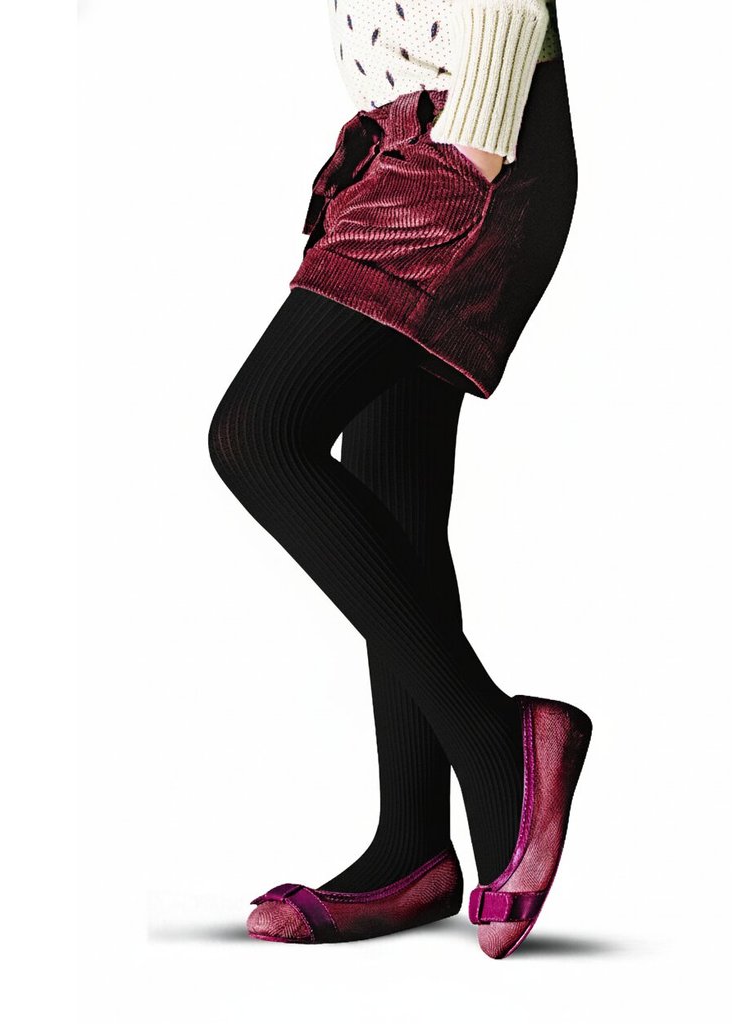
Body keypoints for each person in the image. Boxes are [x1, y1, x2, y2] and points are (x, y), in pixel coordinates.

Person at [208, 0, 591, 959]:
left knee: (260, 435)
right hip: (400, 139)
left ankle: (500, 745)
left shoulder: (471, 136)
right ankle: (412, 847)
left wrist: (475, 143)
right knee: (391, 499)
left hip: (469, 132)